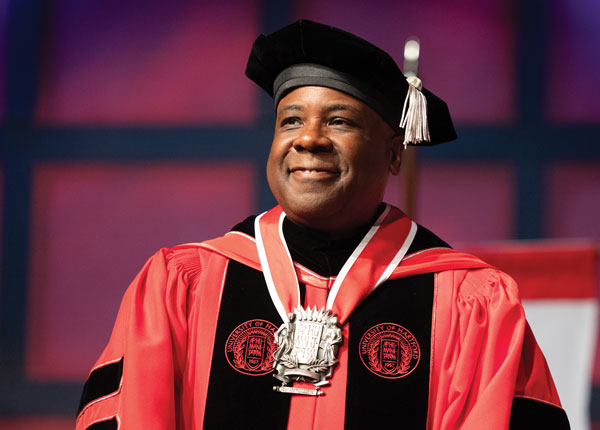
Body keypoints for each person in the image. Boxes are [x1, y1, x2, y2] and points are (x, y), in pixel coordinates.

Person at [75, 20, 570, 430]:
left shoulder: (470, 302)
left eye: (339, 121)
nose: (308, 139)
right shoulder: (182, 285)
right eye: (290, 120)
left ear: (394, 153)